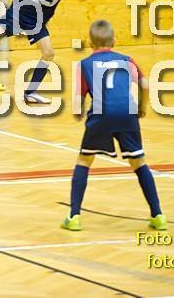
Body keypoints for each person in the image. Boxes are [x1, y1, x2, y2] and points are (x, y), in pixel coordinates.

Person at [61, 19, 167, 232]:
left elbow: (79, 98)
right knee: (138, 162)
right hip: (127, 113)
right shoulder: (126, 60)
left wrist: (78, 112)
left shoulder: (85, 64)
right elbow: (145, 84)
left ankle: (74, 217)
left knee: (84, 160)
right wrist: (142, 107)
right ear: (114, 41)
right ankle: (158, 215)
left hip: (101, 114)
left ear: (90, 43)